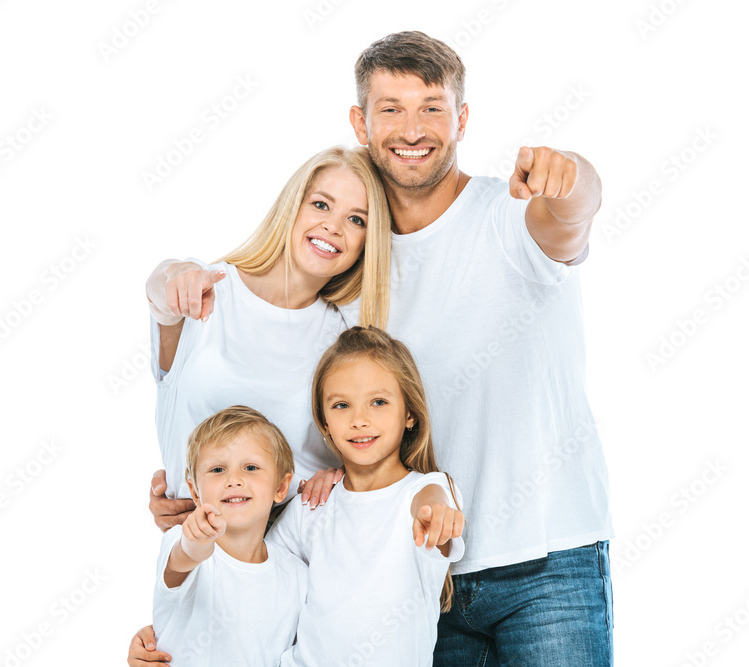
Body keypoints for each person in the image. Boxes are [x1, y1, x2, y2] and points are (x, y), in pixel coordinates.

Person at [134, 30, 613, 666]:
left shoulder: (511, 215)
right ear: (361, 122)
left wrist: (573, 174)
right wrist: (202, 482)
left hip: (548, 556)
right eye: (390, 109)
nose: (412, 129)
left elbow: (573, 214)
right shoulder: (346, 286)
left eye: (431, 108)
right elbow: (274, 413)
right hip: (413, 573)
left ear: (461, 119)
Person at [145, 145, 391, 531]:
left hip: (290, 558)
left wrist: (341, 478)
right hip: (194, 559)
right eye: (321, 205)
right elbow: (160, 293)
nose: (334, 227)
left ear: (367, 241)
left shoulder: (342, 341)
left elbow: (366, 443)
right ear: (292, 207)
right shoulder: (207, 292)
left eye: (357, 219)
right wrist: (175, 271)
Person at [268, 326, 464, 666]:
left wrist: (436, 513)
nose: (359, 419)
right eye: (342, 405)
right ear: (325, 423)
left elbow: (432, 501)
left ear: (409, 414)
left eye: (378, 402)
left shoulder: (423, 491)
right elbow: (254, 575)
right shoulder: (313, 504)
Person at [152, 406, 306, 666]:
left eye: (251, 467)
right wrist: (195, 544)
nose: (234, 479)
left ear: (281, 487)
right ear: (195, 491)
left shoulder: (297, 575)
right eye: (217, 470)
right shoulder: (181, 541)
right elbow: (182, 560)